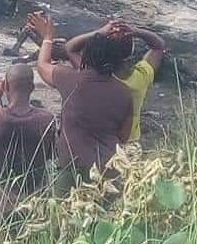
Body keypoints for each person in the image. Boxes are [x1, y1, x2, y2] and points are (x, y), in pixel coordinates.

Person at [27, 13, 133, 192]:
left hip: (72, 171)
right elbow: (124, 137)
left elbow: (43, 65)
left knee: (64, 216)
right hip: (110, 173)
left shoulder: (69, 79)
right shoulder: (124, 93)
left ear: (87, 56)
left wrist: (47, 38)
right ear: (117, 61)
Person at [64, 20, 166, 153]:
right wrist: (135, 31)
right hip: (130, 145)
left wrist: (100, 32)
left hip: (100, 142)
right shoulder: (141, 76)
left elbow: (70, 48)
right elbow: (159, 46)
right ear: (130, 52)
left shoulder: (95, 76)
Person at [0, 64, 56, 217]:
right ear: (32, 87)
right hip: (38, 201)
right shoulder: (47, 120)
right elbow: (53, 154)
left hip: (3, 202)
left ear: (5, 86)